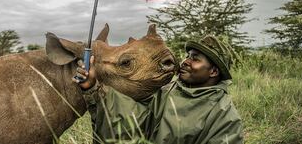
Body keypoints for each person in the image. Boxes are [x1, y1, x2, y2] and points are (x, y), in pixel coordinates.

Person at [74, 36, 244, 144]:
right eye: (187, 56)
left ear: (213, 71)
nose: (185, 61)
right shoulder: (168, 91)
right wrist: (93, 87)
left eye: (195, 59)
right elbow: (136, 118)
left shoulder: (224, 117)